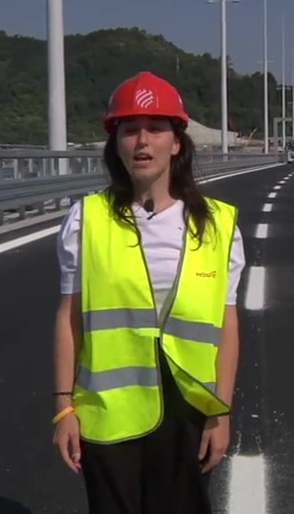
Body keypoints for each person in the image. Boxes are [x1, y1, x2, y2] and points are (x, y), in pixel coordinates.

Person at [51, 71, 246, 513]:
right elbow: (69, 317)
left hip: (188, 411)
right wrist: (64, 407)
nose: (142, 142)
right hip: (108, 412)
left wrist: (222, 413)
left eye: (156, 129)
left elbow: (226, 324)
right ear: (115, 142)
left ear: (177, 142)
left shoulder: (217, 224)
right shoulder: (87, 220)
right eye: (129, 129)